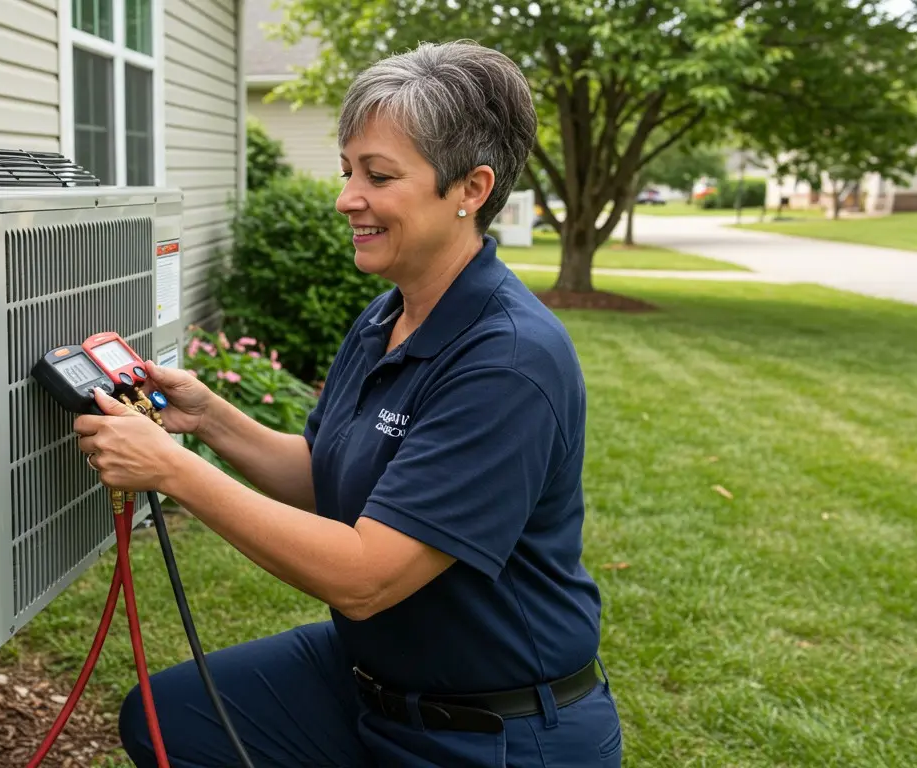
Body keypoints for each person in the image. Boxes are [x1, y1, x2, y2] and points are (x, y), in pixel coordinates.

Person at [73, 39, 622, 768]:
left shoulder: (510, 363)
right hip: (368, 682)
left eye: (378, 175)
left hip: (493, 731)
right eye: (346, 171)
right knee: (169, 719)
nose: (345, 198)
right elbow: (327, 470)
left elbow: (365, 576)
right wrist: (209, 419)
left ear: (471, 189)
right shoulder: (385, 316)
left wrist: (171, 472)